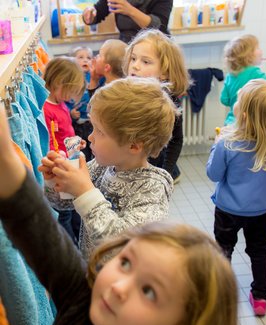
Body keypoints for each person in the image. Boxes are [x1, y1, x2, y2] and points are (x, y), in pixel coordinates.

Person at [0, 105, 238, 325]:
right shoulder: (87, 299)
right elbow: (37, 227)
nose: (119, 287)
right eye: (125, 263)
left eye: (148, 291)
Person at [39, 77, 176, 260]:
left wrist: (85, 191)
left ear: (134, 146)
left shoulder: (153, 189)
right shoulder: (101, 166)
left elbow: (121, 247)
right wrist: (55, 181)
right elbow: (63, 204)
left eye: (99, 132)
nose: (90, 137)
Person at [207, 79, 266, 316]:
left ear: (242, 113)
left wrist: (216, 146)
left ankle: (223, 295)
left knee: (223, 249)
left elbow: (213, 174)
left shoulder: (227, 143)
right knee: (259, 251)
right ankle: (261, 297)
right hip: (261, 210)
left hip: (228, 209)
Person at [123, 29, 190, 183]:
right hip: (127, 171)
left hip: (154, 173)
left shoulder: (169, 103)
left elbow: (176, 140)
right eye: (133, 59)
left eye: (145, 62)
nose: (135, 66)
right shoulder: (124, 94)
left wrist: (165, 174)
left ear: (164, 73)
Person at [42, 56, 86, 244]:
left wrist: (76, 142)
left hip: (69, 160)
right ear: (59, 83)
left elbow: (65, 133)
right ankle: (72, 248)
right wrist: (64, 155)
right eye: (69, 92)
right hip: (60, 166)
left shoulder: (61, 104)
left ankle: (77, 242)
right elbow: (51, 143)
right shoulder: (48, 109)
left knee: (73, 211)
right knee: (65, 215)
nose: (70, 97)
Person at [220, 34, 266, 126]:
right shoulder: (254, 72)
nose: (261, 51)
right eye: (257, 48)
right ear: (248, 55)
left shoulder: (230, 75)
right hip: (246, 126)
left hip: (230, 123)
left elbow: (224, 99)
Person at [82, 0, 173, 43]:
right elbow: (98, 12)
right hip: (126, 44)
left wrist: (130, 10)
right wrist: (90, 14)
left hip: (156, 44)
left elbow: (159, 26)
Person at [67, 46, 95, 162]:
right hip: (77, 125)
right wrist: (71, 113)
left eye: (88, 58)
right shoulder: (70, 79)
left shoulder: (93, 76)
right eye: (81, 57)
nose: (85, 60)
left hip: (91, 122)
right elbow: (64, 101)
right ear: (72, 62)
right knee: (81, 150)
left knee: (94, 147)